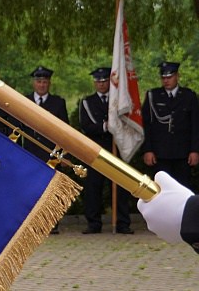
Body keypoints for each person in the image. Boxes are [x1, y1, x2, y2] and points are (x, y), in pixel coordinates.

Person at [77, 67, 133, 234]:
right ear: (94, 83)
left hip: (116, 148)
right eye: (98, 81)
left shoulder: (119, 101)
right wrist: (106, 126)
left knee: (120, 187)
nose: (101, 84)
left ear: (110, 82)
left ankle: (123, 223)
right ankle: (94, 224)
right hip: (97, 149)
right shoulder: (87, 102)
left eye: (104, 81)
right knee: (94, 187)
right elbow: (86, 126)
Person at [141, 61, 199, 190]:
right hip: (160, 153)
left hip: (182, 152)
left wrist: (195, 150)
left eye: (169, 77)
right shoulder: (153, 96)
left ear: (177, 76)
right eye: (163, 78)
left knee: (182, 188)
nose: (166, 81)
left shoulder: (189, 96)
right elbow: (147, 125)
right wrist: (148, 150)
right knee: (161, 189)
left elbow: (195, 125)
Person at [23, 66, 69, 162]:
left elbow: (65, 131)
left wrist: (64, 155)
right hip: (29, 153)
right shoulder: (25, 101)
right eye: (39, 82)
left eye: (45, 82)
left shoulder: (58, 102)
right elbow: (18, 127)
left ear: (49, 84)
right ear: (34, 83)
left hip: (51, 154)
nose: (41, 85)